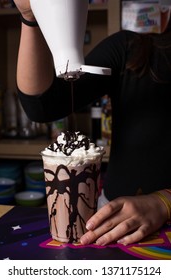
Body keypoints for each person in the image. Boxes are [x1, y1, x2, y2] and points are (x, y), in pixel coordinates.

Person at [14, 0, 171, 246]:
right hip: (110, 222)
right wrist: (29, 17)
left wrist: (165, 202)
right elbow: (42, 105)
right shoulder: (132, 47)